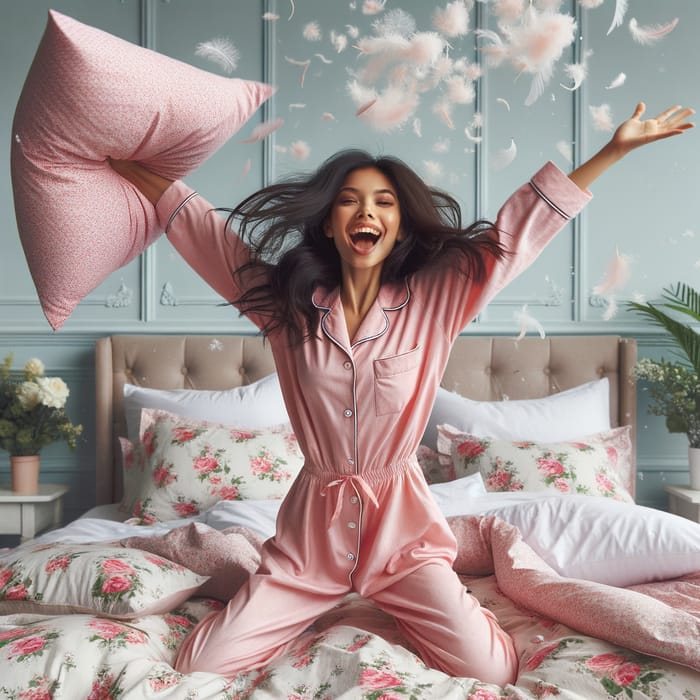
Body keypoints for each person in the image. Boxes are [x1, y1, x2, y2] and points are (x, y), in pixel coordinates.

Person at [109, 101, 693, 685]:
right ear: (330, 223)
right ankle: (295, 593)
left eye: (383, 202)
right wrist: (131, 166)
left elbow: (515, 232)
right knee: (199, 665)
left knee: (492, 667)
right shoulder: (285, 305)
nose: (367, 212)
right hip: (311, 539)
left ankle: (455, 597)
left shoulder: (439, 296)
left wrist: (611, 152)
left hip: (404, 535)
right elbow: (207, 233)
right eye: (350, 200)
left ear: (401, 224)